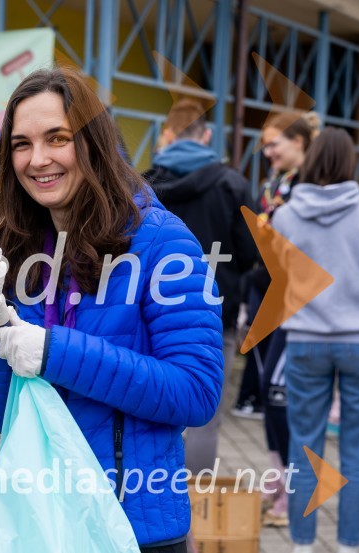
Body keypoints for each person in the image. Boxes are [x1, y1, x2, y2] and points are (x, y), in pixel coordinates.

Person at [0, 67, 223, 552]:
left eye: (57, 138)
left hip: (134, 528)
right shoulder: (18, 248)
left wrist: (54, 352)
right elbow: (3, 414)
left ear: (93, 142)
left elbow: (196, 392)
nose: (37, 159)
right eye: (21, 144)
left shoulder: (162, 242)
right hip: (45, 522)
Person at [145, 98, 258, 473]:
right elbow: (251, 251)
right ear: (206, 135)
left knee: (151, 406)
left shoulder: (143, 184)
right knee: (205, 415)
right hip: (215, 313)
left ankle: (153, 487)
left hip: (148, 310)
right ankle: (197, 497)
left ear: (169, 134)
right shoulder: (233, 184)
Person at [270, 128, 359, 553]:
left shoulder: (286, 216)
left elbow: (279, 277)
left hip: (304, 338)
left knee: (304, 446)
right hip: (358, 340)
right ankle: (349, 546)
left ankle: (302, 546)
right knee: (356, 451)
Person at [249, 111, 320, 527]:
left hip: (302, 307)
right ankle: (278, 477)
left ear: (299, 142)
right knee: (266, 390)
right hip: (269, 299)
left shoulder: (313, 186)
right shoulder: (274, 184)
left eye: (274, 143)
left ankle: (295, 492)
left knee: (282, 395)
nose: (268, 152)